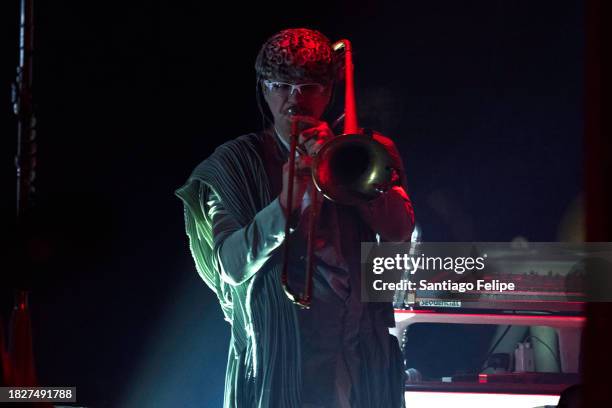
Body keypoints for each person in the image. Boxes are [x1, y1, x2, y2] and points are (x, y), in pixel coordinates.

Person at [175, 28, 415, 408]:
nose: (294, 99)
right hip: (279, 360)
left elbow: (401, 228)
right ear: (263, 89)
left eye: (309, 87)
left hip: (357, 355)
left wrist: (348, 178)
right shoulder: (235, 163)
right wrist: (286, 201)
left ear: (328, 91)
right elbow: (230, 266)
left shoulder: (366, 150)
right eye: (280, 85)